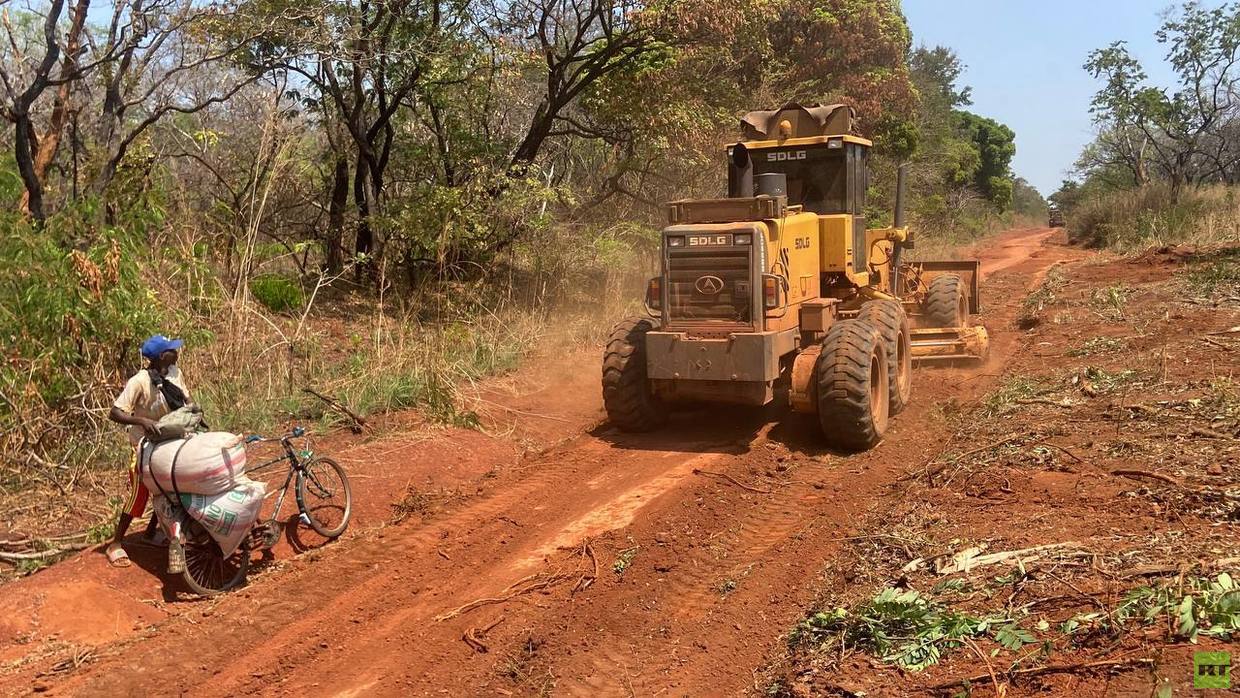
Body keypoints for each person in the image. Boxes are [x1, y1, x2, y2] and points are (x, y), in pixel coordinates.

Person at [105, 334, 191, 568]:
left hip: (170, 440)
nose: (177, 352)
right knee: (140, 492)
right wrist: (141, 421)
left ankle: (151, 532)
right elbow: (115, 412)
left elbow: (186, 398)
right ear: (162, 356)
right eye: (172, 350)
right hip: (144, 445)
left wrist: (193, 412)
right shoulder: (140, 381)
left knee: (170, 485)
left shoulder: (174, 373)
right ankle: (116, 543)